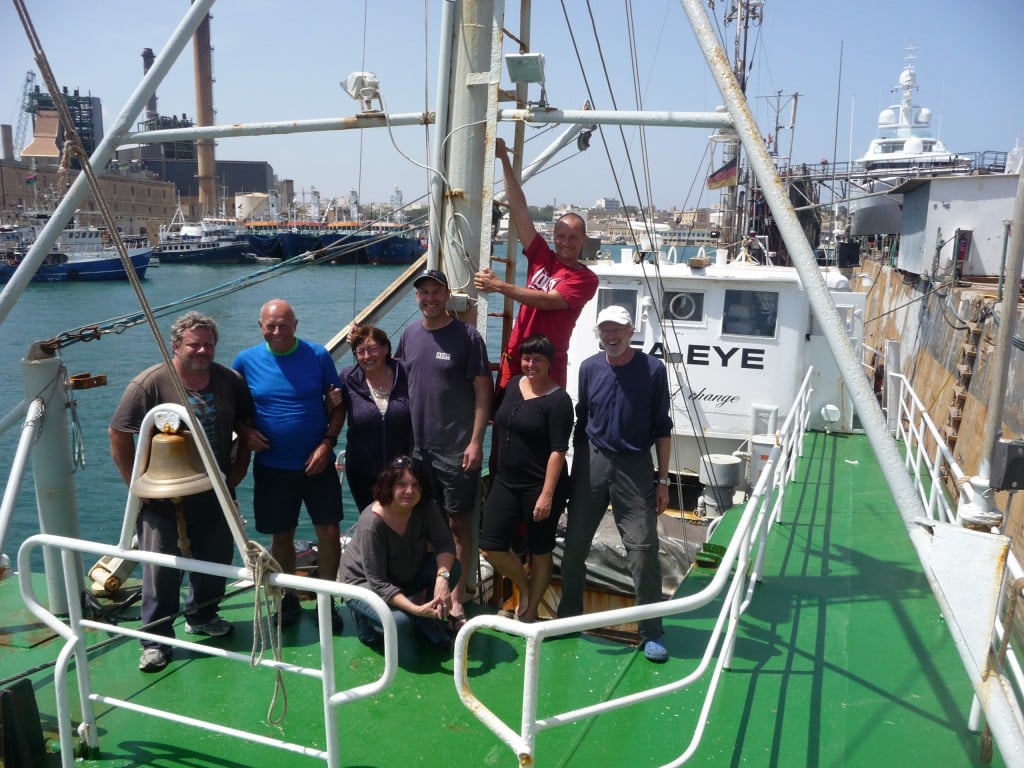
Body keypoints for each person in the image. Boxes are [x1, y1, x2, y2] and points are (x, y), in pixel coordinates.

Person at [109, 311, 254, 673]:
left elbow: (245, 426)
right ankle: (156, 640)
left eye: (208, 344)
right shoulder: (150, 383)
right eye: (194, 344)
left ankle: (202, 616)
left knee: (215, 557)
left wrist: (237, 472)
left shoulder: (229, 381)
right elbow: (118, 432)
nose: (202, 350)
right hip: (162, 495)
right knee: (160, 567)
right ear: (176, 346)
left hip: (215, 491)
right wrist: (137, 486)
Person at [557, 305, 674, 663]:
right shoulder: (590, 368)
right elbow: (583, 418)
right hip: (591, 461)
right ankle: (568, 618)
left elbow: (662, 427)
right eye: (605, 330)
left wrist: (663, 479)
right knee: (574, 544)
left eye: (618, 329)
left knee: (642, 548)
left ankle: (650, 629)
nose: (611, 336)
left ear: (631, 330)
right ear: (598, 333)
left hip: (635, 465)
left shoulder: (653, 370)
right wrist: (575, 466)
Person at [232, 299, 346, 632]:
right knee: (282, 536)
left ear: (295, 326)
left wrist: (328, 444)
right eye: (271, 325)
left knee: (329, 531)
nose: (278, 331)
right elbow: (235, 410)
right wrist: (244, 431)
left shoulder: (318, 356)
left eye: (284, 325)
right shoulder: (244, 361)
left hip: (317, 462)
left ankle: (328, 600)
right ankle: (287, 600)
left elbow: (338, 406)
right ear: (260, 326)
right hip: (272, 466)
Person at [395, 269, 491, 630]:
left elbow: (484, 390)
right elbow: (402, 384)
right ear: (417, 297)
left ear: (447, 295)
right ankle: (426, 589)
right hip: (419, 450)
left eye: (436, 292)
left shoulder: (467, 336)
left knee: (456, 524)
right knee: (420, 520)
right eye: (424, 293)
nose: (430, 298)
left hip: (456, 449)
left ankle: (454, 597)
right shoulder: (409, 335)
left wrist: (476, 441)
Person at [474, 137, 598, 389]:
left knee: (542, 422)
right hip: (517, 355)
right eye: (561, 236)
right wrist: (504, 159)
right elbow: (519, 209)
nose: (565, 242)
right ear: (553, 235)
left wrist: (499, 285)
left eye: (573, 238)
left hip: (548, 362)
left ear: (584, 239)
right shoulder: (542, 255)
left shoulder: (585, 279)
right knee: (504, 420)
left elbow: (547, 301)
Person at [480, 334, 573, 622]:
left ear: (549, 363)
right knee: (492, 546)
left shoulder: (559, 400)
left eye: (538, 359)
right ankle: (525, 585)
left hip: (540, 486)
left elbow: (558, 450)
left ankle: (530, 611)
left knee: (540, 548)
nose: (530, 364)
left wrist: (546, 495)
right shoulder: (512, 386)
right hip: (506, 481)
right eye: (526, 358)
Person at [339, 457, 459, 649]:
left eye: (416, 485)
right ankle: (365, 618)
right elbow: (378, 582)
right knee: (401, 624)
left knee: (453, 568)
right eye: (401, 484)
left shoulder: (426, 506)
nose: (409, 491)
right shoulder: (372, 522)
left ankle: (427, 619)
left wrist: (442, 579)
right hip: (364, 585)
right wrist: (415, 609)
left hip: (402, 574)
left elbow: (444, 544)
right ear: (389, 486)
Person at [337, 326, 413, 511]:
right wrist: (329, 405)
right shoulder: (348, 378)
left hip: (404, 472)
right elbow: (333, 414)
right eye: (360, 352)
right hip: (362, 472)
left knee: (404, 524)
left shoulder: (406, 373)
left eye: (372, 349)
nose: (367, 356)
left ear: (386, 348)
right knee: (373, 523)